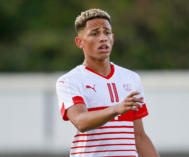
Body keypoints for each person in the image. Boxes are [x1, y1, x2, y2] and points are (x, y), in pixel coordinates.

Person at [56, 8, 159, 157]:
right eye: (95, 33)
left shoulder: (131, 78)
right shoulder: (69, 80)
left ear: (113, 38)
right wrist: (116, 109)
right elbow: (80, 121)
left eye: (107, 32)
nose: (103, 38)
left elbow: (139, 137)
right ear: (79, 42)